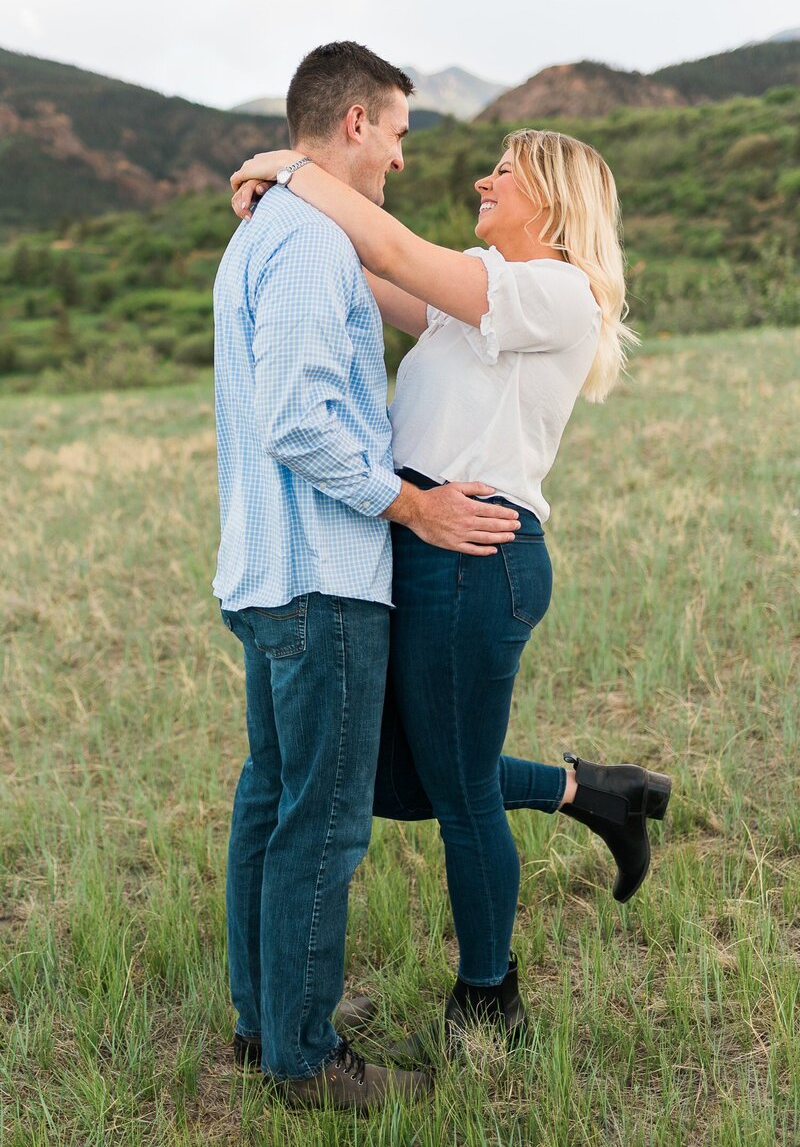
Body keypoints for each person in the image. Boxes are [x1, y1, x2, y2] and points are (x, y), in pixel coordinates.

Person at [229, 124, 673, 1060]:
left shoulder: (557, 294)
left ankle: (489, 995)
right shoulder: (477, 292)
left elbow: (390, 246)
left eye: (503, 172)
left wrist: (290, 166)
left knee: (460, 793)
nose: (483, 178)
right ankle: (593, 794)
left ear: (551, 200)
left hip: (477, 556)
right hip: (424, 543)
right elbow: (366, 267)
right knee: (393, 781)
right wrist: (286, 204)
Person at [213, 41, 521, 1111]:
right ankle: (304, 1057)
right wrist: (413, 503)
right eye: (394, 132)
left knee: (270, 806)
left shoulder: (270, 233)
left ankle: (263, 1030)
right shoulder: (301, 245)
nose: (398, 156)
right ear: (353, 125)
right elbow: (302, 418)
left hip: (268, 569)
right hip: (325, 574)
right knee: (323, 824)